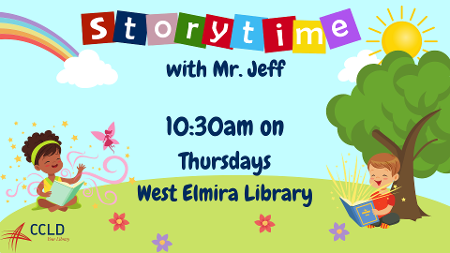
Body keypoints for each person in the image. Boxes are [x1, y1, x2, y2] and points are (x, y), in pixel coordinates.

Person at [22, 130, 84, 212]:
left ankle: (56, 207)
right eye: (47, 162)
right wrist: (44, 194)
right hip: (49, 199)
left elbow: (73, 180)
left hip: (62, 199)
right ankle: (60, 206)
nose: (54, 163)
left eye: (57, 159)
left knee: (74, 198)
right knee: (41, 201)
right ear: (37, 167)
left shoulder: (60, 179)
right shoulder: (45, 181)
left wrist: (79, 171)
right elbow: (38, 190)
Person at [366, 153, 401, 229]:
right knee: (373, 219)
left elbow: (388, 209)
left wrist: (378, 212)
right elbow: (368, 204)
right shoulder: (374, 195)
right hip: (374, 216)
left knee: (394, 217)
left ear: (395, 177)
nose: (377, 178)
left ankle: (382, 222)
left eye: (384, 175)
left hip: (384, 216)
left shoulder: (390, 197)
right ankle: (375, 222)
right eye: (373, 175)